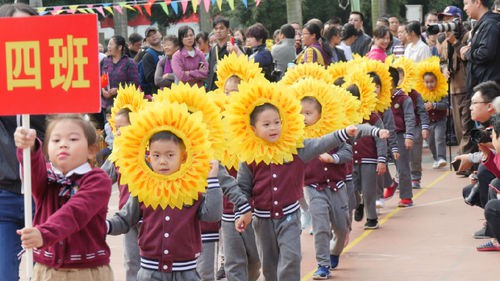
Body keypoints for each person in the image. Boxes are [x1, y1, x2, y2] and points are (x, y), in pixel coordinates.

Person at [231, 96, 389, 281]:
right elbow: (243, 188)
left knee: (291, 258)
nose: (273, 128)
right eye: (266, 124)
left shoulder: (296, 148)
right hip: (262, 221)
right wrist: (241, 212)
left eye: (276, 122)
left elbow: (322, 142)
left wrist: (345, 132)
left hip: (289, 217)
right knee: (269, 266)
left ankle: (323, 262)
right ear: (253, 129)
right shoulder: (249, 157)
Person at [108, 130, 222, 281]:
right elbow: (125, 219)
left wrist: (212, 181)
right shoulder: (143, 190)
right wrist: (106, 226)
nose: (163, 161)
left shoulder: (192, 189)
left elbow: (212, 215)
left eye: (170, 155)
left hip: (186, 272)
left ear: (183, 157)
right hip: (150, 271)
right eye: (156, 155)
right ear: (149, 158)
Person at [14, 114, 113, 281]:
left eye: (73, 139)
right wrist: (29, 148)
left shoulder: (98, 180)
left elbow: (75, 212)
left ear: (91, 150)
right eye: (56, 140)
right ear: (47, 149)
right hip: (46, 271)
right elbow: (32, 172)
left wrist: (44, 234)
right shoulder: (47, 178)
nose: (63, 145)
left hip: (87, 272)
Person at [0, 4, 45, 281]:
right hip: (4, 196)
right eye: (16, 28)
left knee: (52, 272)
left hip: (47, 196)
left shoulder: (58, 76)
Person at [300, 96, 352, 279]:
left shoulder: (332, 133)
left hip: (337, 187)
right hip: (313, 188)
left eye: (308, 113)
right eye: (300, 114)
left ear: (320, 114)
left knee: (340, 226)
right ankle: (322, 264)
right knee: (321, 226)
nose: (304, 117)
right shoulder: (298, 137)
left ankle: (334, 252)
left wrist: (333, 158)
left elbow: (347, 152)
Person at [438, 6, 476, 155]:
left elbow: (468, 58)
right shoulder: (444, 40)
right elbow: (441, 60)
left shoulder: (468, 36)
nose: (446, 22)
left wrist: (454, 42)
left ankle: (465, 161)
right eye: (444, 19)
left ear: (458, 19)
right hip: (453, 89)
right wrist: (443, 69)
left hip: (466, 87)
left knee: (467, 127)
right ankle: (463, 159)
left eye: (449, 18)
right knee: (459, 128)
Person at [384, 67, 417, 207]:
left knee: (402, 166)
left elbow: (410, 118)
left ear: (390, 81)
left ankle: (406, 196)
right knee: (379, 164)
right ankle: (390, 184)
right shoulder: (380, 99)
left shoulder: (404, 99)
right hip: (384, 136)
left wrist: (409, 136)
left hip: (400, 135)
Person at [99, 35, 139, 129]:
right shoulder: (105, 61)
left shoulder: (129, 62)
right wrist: (103, 90)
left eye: (111, 44)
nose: (108, 47)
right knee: (108, 129)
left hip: (124, 104)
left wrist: (118, 90)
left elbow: (135, 83)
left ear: (120, 47)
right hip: (107, 104)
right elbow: (100, 78)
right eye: (108, 44)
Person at [460, 0, 500, 94]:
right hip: (480, 87)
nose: (464, 8)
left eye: (466, 4)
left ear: (478, 2)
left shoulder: (489, 24)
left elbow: (485, 53)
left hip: (488, 90)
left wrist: (466, 53)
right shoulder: (483, 24)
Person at [420, 69, 449, 168]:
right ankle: (436, 158)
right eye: (427, 82)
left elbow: (445, 105)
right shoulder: (422, 94)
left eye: (432, 81)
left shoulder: (442, 92)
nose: (429, 84)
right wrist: (424, 106)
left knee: (439, 138)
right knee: (431, 142)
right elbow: (419, 107)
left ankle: (441, 157)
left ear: (436, 81)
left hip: (440, 120)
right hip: (428, 123)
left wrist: (434, 105)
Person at [207, 18, 231, 91]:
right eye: (216, 28)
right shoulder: (213, 49)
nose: (218, 31)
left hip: (227, 89)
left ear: (228, 30)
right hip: (213, 89)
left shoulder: (232, 47)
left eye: (221, 28)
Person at [139, 26, 164, 96]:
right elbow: (149, 77)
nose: (153, 36)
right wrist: (166, 75)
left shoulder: (168, 50)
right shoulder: (147, 56)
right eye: (149, 36)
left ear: (160, 34)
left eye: (154, 33)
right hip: (157, 93)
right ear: (147, 40)